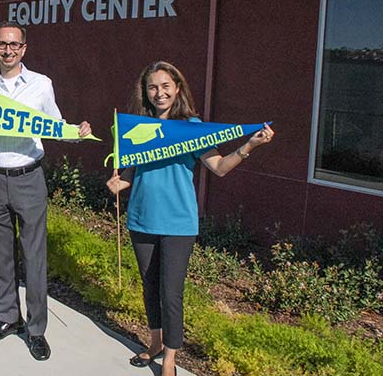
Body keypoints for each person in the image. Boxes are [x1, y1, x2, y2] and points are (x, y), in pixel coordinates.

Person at [105, 61, 274, 376]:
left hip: (178, 223)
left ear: (177, 88)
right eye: (153, 87)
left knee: (171, 291)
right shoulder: (138, 126)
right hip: (141, 218)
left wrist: (250, 144)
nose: (160, 93)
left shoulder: (191, 128)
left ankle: (170, 358)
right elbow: (132, 169)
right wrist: (120, 181)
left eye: (166, 86)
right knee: (150, 285)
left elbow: (219, 167)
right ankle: (155, 343)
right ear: (146, 91)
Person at [0, 21, 92, 361]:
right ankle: (9, 318)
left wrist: (77, 131)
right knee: (3, 255)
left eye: (14, 45)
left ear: (23, 48)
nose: (7, 50)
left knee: (34, 258)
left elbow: (54, 126)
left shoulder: (40, 85)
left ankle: (36, 330)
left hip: (28, 179)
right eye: (1, 44)